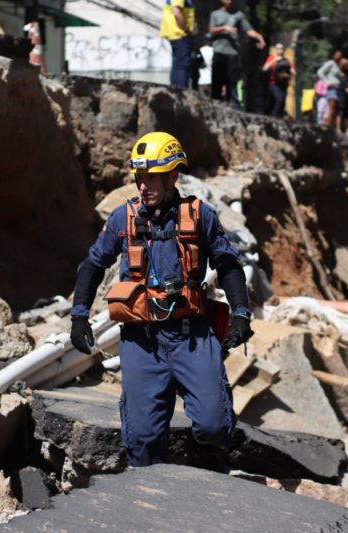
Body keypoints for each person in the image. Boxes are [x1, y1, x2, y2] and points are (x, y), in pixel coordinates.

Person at [69, 132, 253, 467]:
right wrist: (79, 316)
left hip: (192, 335)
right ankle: (155, 486)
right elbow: (93, 265)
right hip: (142, 340)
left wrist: (241, 314)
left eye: (151, 178)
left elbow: (228, 264)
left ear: (173, 176)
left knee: (214, 427)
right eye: (139, 178)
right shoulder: (122, 219)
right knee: (142, 441)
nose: (143, 186)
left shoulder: (200, 215)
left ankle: (204, 464)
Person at [208, 0, 266, 108]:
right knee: (217, 81)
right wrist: (224, 28)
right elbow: (211, 30)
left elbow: (248, 30)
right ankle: (215, 105)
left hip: (233, 53)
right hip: (219, 51)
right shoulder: (215, 14)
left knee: (232, 81)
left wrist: (259, 37)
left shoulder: (238, 15)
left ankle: (234, 106)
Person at [160, 0, 195, 89]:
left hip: (176, 35)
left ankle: (175, 91)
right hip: (180, 34)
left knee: (177, 66)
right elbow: (176, 13)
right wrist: (186, 29)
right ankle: (182, 92)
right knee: (183, 67)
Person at [262, 43, 295, 118]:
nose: (280, 50)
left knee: (281, 101)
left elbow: (293, 71)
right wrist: (274, 60)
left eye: (281, 49)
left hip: (283, 84)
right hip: (273, 84)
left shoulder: (287, 61)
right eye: (278, 48)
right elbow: (264, 68)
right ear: (275, 50)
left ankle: (277, 116)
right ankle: (272, 116)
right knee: (275, 100)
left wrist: (287, 72)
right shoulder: (271, 58)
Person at [316, 51, 343, 127]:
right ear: (334, 56)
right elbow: (320, 72)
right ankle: (326, 124)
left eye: (340, 56)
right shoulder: (330, 63)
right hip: (331, 89)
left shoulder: (337, 65)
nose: (338, 57)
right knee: (331, 108)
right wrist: (327, 82)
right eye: (337, 55)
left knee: (335, 109)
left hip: (337, 88)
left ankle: (331, 126)